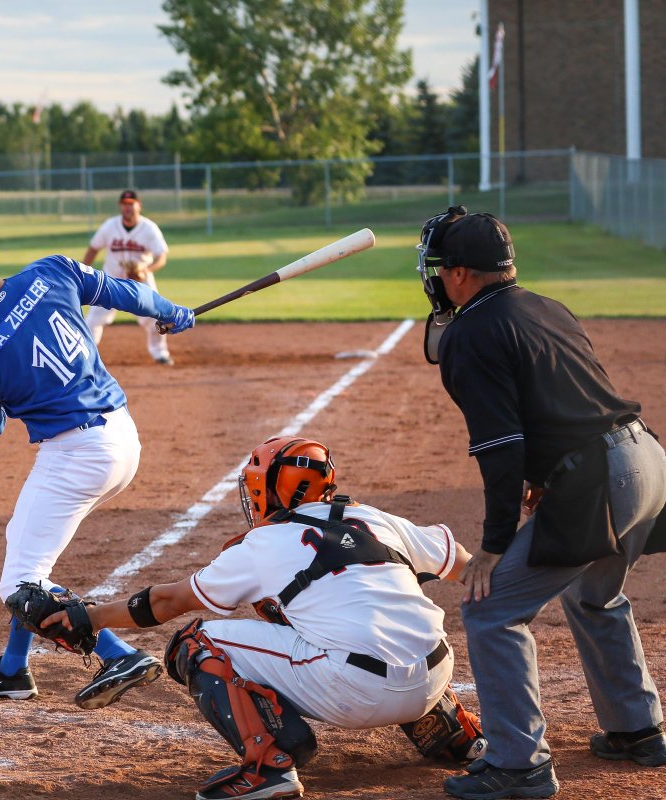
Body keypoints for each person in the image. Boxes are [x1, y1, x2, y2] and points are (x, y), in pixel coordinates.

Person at [41, 437, 487, 800]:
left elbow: (169, 602)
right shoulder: (372, 518)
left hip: (355, 693)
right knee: (382, 609)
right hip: (434, 677)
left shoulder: (264, 544)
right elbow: (467, 566)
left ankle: (268, 766)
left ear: (266, 490)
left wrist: (92, 617)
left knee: (196, 643)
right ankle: (453, 733)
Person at [414, 207, 666, 799]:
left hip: (602, 477)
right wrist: (551, 474)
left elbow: (501, 449)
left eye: (437, 268)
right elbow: (570, 397)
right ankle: (637, 729)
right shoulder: (545, 307)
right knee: (593, 592)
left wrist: (494, 545)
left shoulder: (471, 333)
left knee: (491, 608)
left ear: (457, 275)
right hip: (648, 459)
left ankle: (519, 765)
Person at [0, 219, 195, 709]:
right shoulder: (53, 271)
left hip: (75, 454)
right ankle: (11, 670)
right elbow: (127, 294)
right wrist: (173, 311)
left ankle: (118, 654)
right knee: (26, 557)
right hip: (123, 437)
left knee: (21, 583)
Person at [83, 190, 175, 365]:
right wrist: (83, 270)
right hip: (111, 281)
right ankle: (86, 356)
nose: (128, 207)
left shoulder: (149, 228)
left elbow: (161, 257)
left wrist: (147, 270)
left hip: (141, 281)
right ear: (120, 206)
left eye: (131, 203)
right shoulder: (110, 226)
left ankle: (160, 353)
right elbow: (94, 248)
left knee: (156, 317)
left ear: (139, 205)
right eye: (124, 204)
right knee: (93, 319)